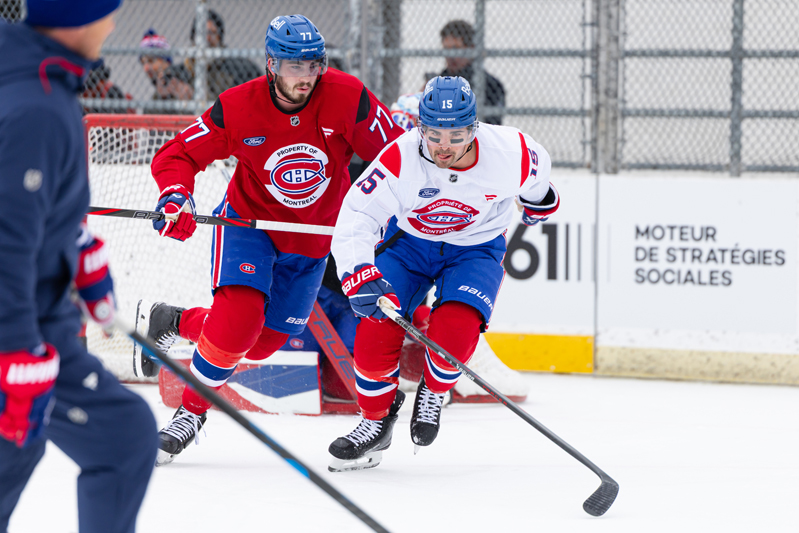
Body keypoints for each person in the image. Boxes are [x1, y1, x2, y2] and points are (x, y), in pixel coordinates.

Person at [132, 13, 403, 466]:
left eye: (314, 65)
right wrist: (175, 193)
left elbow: (396, 160)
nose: (308, 76)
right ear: (271, 65)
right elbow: (178, 153)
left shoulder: (347, 97)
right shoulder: (238, 106)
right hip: (248, 227)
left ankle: (174, 321)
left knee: (257, 345)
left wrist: (414, 218)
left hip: (312, 243)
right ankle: (189, 414)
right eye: (296, 66)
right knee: (237, 323)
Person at [326, 76, 558, 471]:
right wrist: (357, 272)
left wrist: (540, 202)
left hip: (476, 249)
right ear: (420, 127)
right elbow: (357, 216)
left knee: (456, 332)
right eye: (434, 134)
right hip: (410, 245)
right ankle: (374, 421)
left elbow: (538, 185)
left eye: (456, 135)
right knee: (373, 331)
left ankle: (433, 391)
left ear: (474, 127)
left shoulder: (513, 151)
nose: (444, 147)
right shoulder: (399, 158)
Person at [0, 1, 158, 531]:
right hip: (17, 333)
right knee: (12, 454)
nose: (112, 25)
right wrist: (17, 352)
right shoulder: (37, 107)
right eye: (106, 12)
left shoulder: (41, 81)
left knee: (124, 436)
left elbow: (34, 210)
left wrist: (79, 249)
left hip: (41, 327)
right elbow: (5, 243)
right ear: (77, 17)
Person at [438, 20, 505, 125]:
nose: (450, 56)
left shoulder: (490, 85)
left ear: (471, 49)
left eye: (456, 49)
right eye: (446, 49)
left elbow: (492, 124)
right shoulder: (437, 82)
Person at [186, 9, 263, 101]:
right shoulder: (182, 72)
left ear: (220, 38)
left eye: (212, 33)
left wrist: (193, 96)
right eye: (201, 33)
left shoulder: (236, 70)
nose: (206, 38)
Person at [139, 28, 194, 109]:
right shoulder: (157, 94)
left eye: (151, 61)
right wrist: (161, 97)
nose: (146, 68)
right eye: (143, 63)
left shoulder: (188, 76)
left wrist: (191, 98)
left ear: (166, 61)